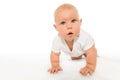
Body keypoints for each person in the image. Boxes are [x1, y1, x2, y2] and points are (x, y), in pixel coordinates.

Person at [48, 3, 97, 76]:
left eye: (73, 21)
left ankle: (87, 53)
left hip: (87, 46)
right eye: (63, 23)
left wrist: (90, 66)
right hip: (75, 51)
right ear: (56, 27)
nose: (69, 26)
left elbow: (91, 52)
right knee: (75, 57)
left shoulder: (84, 37)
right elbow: (55, 54)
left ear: (80, 23)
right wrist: (55, 65)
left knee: (90, 52)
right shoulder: (57, 40)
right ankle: (79, 54)